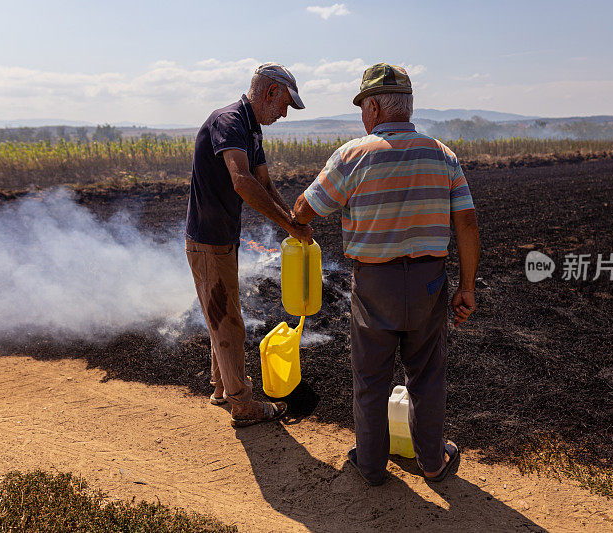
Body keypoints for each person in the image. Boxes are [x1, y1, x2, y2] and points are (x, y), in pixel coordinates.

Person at [291, 63, 480, 485]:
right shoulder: (443, 155)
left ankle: (373, 467)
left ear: (374, 106)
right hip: (430, 282)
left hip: (375, 285)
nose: (363, 116)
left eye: (363, 107)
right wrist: (466, 288)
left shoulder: (352, 155)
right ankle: (433, 463)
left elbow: (304, 210)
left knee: (371, 378)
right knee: (427, 375)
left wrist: (303, 218)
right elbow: (467, 224)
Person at [185, 62, 312, 427]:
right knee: (229, 321)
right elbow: (241, 182)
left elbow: (265, 183)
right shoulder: (229, 121)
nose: (285, 113)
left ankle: (223, 387)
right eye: (285, 104)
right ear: (271, 92)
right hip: (207, 239)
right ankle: (242, 404)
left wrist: (295, 222)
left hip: (223, 236)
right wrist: (289, 223)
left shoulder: (251, 130)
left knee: (221, 311)